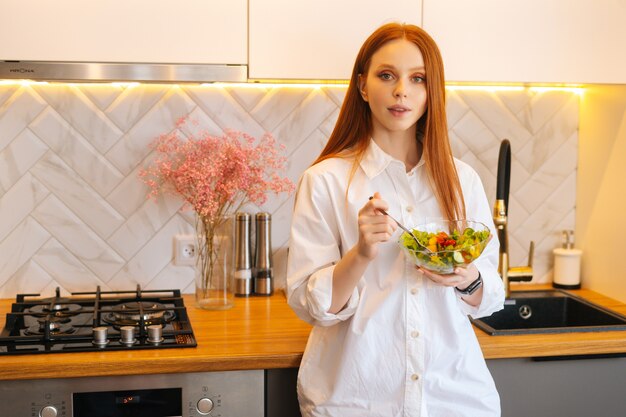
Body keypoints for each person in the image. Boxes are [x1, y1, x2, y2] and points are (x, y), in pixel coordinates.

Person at [286, 22, 505, 417]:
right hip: (356, 399)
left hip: (454, 399)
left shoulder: (461, 180)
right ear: (363, 87)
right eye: (387, 75)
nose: (401, 90)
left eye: (417, 78)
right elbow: (309, 305)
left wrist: (466, 276)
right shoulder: (324, 182)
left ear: (430, 92)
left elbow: (490, 294)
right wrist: (362, 253)